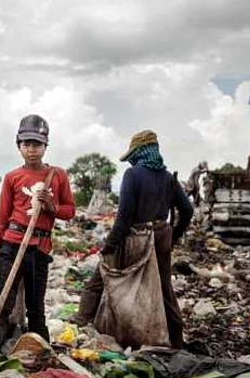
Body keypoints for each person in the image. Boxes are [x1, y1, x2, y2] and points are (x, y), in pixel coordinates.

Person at [70, 130, 193, 349]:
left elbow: (124, 218)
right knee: (164, 290)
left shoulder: (133, 175)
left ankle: (82, 320)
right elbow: (187, 211)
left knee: (100, 278)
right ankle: (176, 339)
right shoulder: (168, 179)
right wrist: (172, 235)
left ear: (140, 153)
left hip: (135, 239)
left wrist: (109, 246)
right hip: (160, 238)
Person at [0, 114, 75, 353]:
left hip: (39, 249)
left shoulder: (57, 176)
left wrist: (51, 206)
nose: (31, 149)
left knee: (36, 307)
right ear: (19, 146)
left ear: (46, 146)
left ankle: (40, 355)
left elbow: (69, 211)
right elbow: (3, 217)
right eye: (26, 144)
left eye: (37, 144)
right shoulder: (12, 178)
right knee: (2, 305)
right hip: (12, 244)